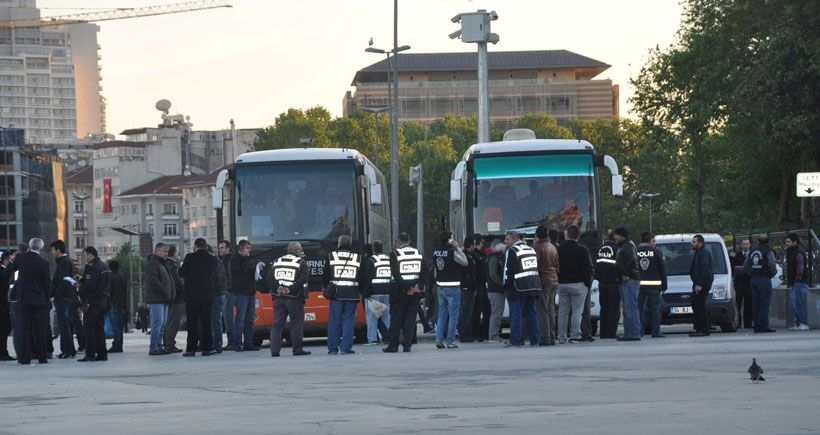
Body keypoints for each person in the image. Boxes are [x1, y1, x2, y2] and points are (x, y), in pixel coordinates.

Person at [7, 238, 51, 364]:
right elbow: (47, 284)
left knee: (24, 329)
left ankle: (25, 358)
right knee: (40, 330)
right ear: (41, 248)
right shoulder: (44, 263)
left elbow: (13, 273)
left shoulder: (20, 258)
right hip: (39, 300)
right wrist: (46, 298)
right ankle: (42, 357)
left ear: (30, 246)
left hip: (23, 298)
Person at [267, 241, 311, 357]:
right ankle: (297, 349)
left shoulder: (277, 261)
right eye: (301, 249)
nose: (302, 251)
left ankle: (275, 350)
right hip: (294, 298)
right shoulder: (301, 262)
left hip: (278, 298)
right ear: (297, 250)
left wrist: (278, 288)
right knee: (296, 324)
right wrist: (289, 289)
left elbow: (269, 278)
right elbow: (303, 280)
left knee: (277, 324)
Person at [383, 232, 425, 353]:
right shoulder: (418, 253)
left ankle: (393, 345)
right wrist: (417, 286)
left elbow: (396, 274)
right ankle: (407, 345)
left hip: (399, 291)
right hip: (415, 292)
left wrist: (407, 288)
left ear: (398, 241)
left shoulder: (394, 254)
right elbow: (424, 272)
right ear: (410, 241)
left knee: (396, 319)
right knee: (410, 319)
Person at [323, 235, 364, 355]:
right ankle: (346, 347)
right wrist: (360, 291)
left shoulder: (331, 256)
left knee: (334, 321)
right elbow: (362, 277)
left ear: (339, 243)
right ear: (350, 244)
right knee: (348, 321)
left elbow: (325, 276)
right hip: (352, 293)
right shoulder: (357, 258)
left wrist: (327, 287)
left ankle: (332, 348)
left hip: (336, 294)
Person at [178, 238, 218, 357]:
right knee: (206, 322)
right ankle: (207, 348)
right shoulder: (212, 258)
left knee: (192, 323)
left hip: (192, 296)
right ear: (205, 246)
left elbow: (181, 273)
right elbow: (215, 274)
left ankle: (191, 349)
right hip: (207, 295)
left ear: (195, 246)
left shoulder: (189, 257)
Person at [503, 230, 541, 347]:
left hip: (517, 287)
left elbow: (509, 271)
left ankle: (515, 340)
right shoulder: (531, 249)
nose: (505, 242)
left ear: (514, 239)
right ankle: (535, 340)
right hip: (533, 285)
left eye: (507, 239)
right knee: (532, 314)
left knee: (516, 315)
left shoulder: (512, 251)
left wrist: (506, 286)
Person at [556, 225, 593, 344]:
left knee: (563, 312)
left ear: (566, 235)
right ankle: (575, 335)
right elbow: (588, 268)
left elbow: (556, 266)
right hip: (579, 285)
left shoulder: (559, 249)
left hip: (562, 284)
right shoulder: (583, 249)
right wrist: (587, 284)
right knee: (577, 311)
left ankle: (561, 337)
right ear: (578, 236)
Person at [432, 230, 467, 349]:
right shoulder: (452, 252)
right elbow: (465, 262)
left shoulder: (435, 252)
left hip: (440, 286)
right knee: (453, 315)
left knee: (442, 314)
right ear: (449, 240)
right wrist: (458, 249)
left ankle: (439, 339)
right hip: (452, 286)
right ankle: (450, 341)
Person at [77, 246, 111, 362]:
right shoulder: (103, 265)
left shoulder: (92, 267)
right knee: (99, 328)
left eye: (85, 255)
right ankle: (102, 354)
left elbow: (90, 285)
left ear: (91, 255)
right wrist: (82, 280)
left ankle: (90, 353)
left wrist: (79, 288)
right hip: (102, 301)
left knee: (89, 328)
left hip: (92, 301)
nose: (84, 258)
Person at [144, 243, 174, 355]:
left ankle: (159, 346)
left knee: (162, 324)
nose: (167, 254)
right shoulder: (153, 263)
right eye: (164, 251)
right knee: (157, 323)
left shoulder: (162, 263)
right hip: (156, 299)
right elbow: (152, 280)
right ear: (157, 251)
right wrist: (165, 291)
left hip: (163, 298)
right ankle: (153, 347)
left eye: (167, 251)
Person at [50, 240, 77, 359]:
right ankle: (66, 349)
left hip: (62, 297)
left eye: (52, 250)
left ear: (58, 250)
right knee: (63, 324)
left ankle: (68, 350)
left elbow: (63, 281)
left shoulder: (64, 262)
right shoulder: (64, 261)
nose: (51, 252)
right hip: (64, 296)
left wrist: (54, 294)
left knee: (64, 324)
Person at [230, 239, 259, 351]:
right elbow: (242, 271)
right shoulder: (235, 260)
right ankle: (238, 344)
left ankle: (249, 343)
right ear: (241, 249)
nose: (249, 250)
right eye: (247, 248)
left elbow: (250, 272)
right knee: (240, 319)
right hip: (241, 293)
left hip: (250, 292)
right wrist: (246, 259)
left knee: (249, 319)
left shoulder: (248, 259)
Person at [637, 232, 667, 338]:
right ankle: (655, 332)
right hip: (655, 286)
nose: (655, 244)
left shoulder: (636, 251)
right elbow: (662, 269)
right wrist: (664, 285)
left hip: (639, 286)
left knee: (639, 309)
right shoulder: (656, 252)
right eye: (653, 241)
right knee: (655, 310)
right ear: (650, 241)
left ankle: (639, 332)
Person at [614, 226, 641, 342]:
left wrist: (626, 273)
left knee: (630, 307)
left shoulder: (628, 246)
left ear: (622, 235)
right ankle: (628, 333)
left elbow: (632, 261)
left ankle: (634, 333)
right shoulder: (623, 246)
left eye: (616, 234)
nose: (614, 237)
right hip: (625, 279)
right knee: (627, 308)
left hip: (629, 280)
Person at [533, 226, 559, 346]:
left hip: (543, 280)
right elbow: (557, 265)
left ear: (537, 235)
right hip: (554, 279)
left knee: (542, 310)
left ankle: (545, 338)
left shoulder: (537, 248)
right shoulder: (552, 247)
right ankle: (552, 337)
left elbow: (535, 266)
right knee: (551, 309)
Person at [363, 240, 392, 345]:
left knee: (371, 317)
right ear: (383, 248)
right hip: (387, 291)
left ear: (374, 249)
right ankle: (393, 336)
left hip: (374, 292)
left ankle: (372, 339)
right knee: (386, 315)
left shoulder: (371, 260)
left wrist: (366, 293)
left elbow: (368, 278)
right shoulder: (388, 259)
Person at [595, 232, 621, 339]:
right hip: (613, 283)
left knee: (604, 308)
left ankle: (603, 333)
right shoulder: (616, 249)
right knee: (614, 309)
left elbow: (596, 266)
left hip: (602, 283)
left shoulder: (600, 249)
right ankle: (611, 332)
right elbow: (619, 265)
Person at [690, 234, 715, 337]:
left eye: (693, 242)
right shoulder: (698, 253)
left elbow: (704, 270)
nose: (691, 244)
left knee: (699, 306)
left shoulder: (703, 253)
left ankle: (703, 330)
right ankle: (699, 329)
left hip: (703, 284)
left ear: (700, 243)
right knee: (696, 306)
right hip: (698, 283)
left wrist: (699, 284)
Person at [785, 233, 810, 331]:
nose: (787, 243)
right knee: (793, 304)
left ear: (794, 242)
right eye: (786, 242)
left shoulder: (798, 253)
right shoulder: (790, 252)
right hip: (794, 282)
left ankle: (803, 323)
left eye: (788, 242)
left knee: (797, 303)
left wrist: (797, 279)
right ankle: (798, 323)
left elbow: (800, 268)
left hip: (799, 282)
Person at [163, 245, 185, 354]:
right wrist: (182, 290)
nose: (178, 255)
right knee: (174, 321)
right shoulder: (172, 265)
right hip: (176, 298)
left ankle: (167, 342)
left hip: (170, 296)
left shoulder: (165, 264)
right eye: (177, 252)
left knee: (169, 321)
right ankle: (170, 343)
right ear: (174, 253)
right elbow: (177, 280)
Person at [469, 234, 490, 342]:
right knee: (477, 310)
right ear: (479, 242)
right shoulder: (475, 255)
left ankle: (484, 332)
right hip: (479, 285)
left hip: (482, 285)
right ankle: (477, 333)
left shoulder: (480, 254)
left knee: (485, 309)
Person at [485, 242, 507, 343]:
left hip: (495, 289)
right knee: (496, 313)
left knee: (497, 313)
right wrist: (501, 283)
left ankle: (494, 335)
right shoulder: (494, 257)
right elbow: (493, 273)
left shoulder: (495, 257)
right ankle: (493, 336)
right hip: (495, 289)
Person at [458, 236, 478, 343]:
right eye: (474, 244)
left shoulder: (466, 255)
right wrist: (472, 286)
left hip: (466, 287)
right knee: (466, 313)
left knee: (466, 312)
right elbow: (468, 274)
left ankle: (466, 333)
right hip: (466, 288)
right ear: (471, 245)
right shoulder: (467, 257)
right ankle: (464, 334)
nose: (475, 246)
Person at [217, 240, 235, 350]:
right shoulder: (222, 260)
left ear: (228, 248)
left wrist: (227, 286)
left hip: (228, 291)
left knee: (228, 317)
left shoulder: (229, 260)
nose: (220, 250)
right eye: (219, 248)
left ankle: (232, 341)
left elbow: (228, 275)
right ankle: (231, 341)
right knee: (227, 317)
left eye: (222, 248)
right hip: (226, 290)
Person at [211, 244, 229, 353]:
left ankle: (216, 344)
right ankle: (217, 344)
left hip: (216, 294)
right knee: (216, 319)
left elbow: (218, 278)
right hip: (220, 293)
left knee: (215, 320)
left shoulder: (214, 262)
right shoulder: (218, 261)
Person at [731, 238, 753, 329]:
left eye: (747, 244)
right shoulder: (736, 255)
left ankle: (748, 323)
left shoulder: (752, 255)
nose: (745, 246)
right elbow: (732, 267)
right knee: (737, 304)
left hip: (749, 283)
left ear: (750, 245)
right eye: (744, 244)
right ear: (741, 245)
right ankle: (738, 323)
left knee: (749, 304)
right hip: (739, 283)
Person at [107, 259, 128, 353]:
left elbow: (108, 291)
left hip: (112, 304)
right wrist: (125, 306)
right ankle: (119, 344)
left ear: (110, 267)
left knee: (115, 327)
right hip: (121, 305)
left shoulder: (109, 277)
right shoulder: (122, 277)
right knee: (119, 326)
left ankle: (116, 345)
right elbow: (125, 293)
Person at [0, 251, 14, 361]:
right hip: (3, 304)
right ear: (6, 260)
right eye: (10, 260)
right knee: (5, 328)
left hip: (4, 303)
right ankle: (3, 353)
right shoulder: (3, 271)